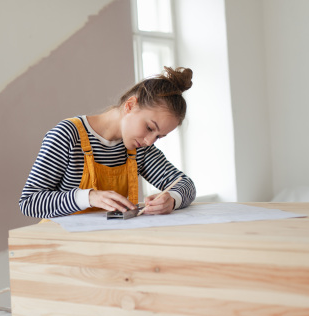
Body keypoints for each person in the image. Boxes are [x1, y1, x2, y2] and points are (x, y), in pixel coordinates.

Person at [19, 66, 196, 219]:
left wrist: (172, 199)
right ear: (130, 106)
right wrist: (88, 197)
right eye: (150, 128)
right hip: (61, 246)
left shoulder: (140, 149)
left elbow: (185, 184)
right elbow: (30, 202)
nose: (150, 141)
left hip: (107, 244)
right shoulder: (67, 135)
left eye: (159, 137)